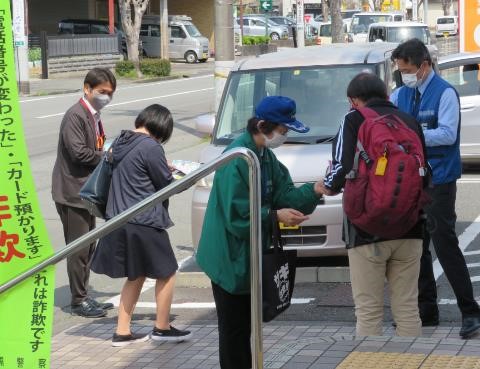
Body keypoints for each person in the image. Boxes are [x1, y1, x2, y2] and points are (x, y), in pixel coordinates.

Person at [196, 96, 330, 369]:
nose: (285, 135)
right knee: (234, 331)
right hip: (229, 258)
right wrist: (274, 216)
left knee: (247, 326)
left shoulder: (265, 156)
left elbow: (286, 195)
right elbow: (237, 217)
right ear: (262, 126)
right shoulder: (236, 159)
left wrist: (315, 190)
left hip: (250, 255)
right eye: (282, 130)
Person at [390, 38, 480, 338]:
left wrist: (410, 135)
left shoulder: (445, 93)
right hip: (410, 181)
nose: (402, 74)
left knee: (445, 245)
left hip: (439, 179)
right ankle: (427, 311)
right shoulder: (400, 94)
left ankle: (471, 312)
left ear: (425, 66)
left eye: (407, 69)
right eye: (399, 70)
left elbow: (445, 134)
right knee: (416, 247)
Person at [324, 72, 427, 337]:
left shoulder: (353, 119)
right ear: (385, 95)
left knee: (369, 310)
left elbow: (340, 167)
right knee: (407, 308)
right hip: (410, 228)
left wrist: (326, 187)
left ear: (354, 100)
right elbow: (425, 172)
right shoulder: (409, 121)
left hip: (365, 230)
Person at [91, 104, 192, 347]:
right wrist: (181, 173)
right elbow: (165, 183)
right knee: (167, 272)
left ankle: (122, 331)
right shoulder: (151, 146)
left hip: (118, 218)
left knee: (136, 275)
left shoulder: (120, 141)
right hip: (143, 220)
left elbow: (134, 172)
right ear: (161, 127)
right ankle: (162, 327)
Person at [52, 67, 116, 318]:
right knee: (79, 249)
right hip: (72, 192)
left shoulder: (93, 114)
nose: (106, 97)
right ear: (87, 89)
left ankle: (85, 295)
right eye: (102, 92)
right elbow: (79, 153)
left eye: (110, 93)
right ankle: (79, 300)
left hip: (85, 192)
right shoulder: (75, 115)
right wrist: (107, 156)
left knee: (88, 247)